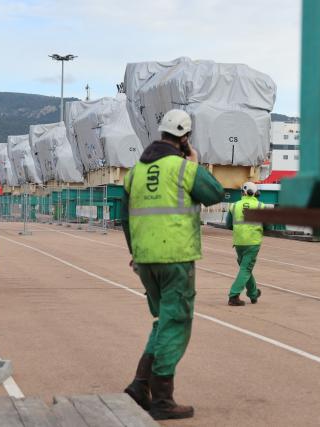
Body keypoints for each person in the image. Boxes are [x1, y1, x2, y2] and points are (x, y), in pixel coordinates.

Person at [122, 109, 224, 420]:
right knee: (176, 322)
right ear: (184, 139)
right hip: (176, 257)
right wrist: (194, 162)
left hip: (145, 259)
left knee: (162, 322)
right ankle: (162, 399)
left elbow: (126, 221)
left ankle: (141, 386)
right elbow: (215, 193)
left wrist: (136, 254)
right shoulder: (182, 168)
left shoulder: (134, 173)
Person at [225, 181, 267, 306]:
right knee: (246, 268)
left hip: (239, 242)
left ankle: (253, 293)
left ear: (243, 192)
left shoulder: (234, 206)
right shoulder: (260, 206)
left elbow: (228, 224)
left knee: (245, 268)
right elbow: (268, 225)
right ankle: (234, 295)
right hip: (253, 242)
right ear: (255, 193)